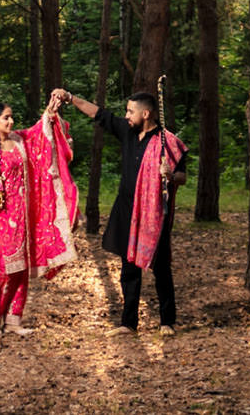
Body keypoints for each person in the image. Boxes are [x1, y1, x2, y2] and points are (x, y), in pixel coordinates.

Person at [59, 87, 187, 334]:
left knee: (160, 267)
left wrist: (170, 175)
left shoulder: (167, 142)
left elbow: (182, 176)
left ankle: (167, 321)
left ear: (146, 114)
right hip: (127, 209)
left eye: (131, 111)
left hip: (153, 214)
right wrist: (70, 98)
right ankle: (128, 323)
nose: (127, 115)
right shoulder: (128, 132)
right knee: (129, 268)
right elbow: (100, 114)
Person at [0, 91, 78, 334]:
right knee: (4, 269)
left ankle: (15, 320)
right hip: (1, 219)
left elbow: (38, 133)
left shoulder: (20, 140)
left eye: (11, 117)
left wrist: (51, 110)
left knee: (22, 267)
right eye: (5, 118)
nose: (10, 122)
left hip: (24, 215)